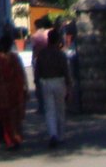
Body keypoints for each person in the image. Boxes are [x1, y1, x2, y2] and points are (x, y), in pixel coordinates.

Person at [0, 33, 28, 150]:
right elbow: (22, 74)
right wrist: (25, 88)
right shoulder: (15, 58)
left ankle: (9, 139)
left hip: (3, 91)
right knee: (15, 115)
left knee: (5, 116)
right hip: (16, 90)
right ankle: (17, 136)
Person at [32, 20, 68, 148]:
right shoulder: (60, 54)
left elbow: (37, 71)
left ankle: (52, 134)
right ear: (57, 40)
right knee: (60, 109)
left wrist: (37, 83)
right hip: (59, 82)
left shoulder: (42, 54)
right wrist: (70, 86)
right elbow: (66, 71)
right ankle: (61, 135)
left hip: (46, 82)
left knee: (50, 110)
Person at [28, 17, 52, 115]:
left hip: (38, 60)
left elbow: (35, 50)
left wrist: (33, 60)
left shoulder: (35, 36)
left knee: (39, 83)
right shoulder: (50, 33)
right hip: (50, 58)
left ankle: (41, 106)